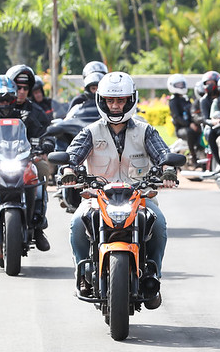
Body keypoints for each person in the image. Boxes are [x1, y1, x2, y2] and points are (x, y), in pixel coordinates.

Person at [60, 72, 177, 307]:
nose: (115, 106)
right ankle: (83, 275)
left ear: (130, 100)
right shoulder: (91, 132)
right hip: (97, 198)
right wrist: (68, 171)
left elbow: (164, 154)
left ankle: (153, 276)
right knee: (76, 224)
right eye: (111, 101)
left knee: (160, 223)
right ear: (102, 101)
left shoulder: (145, 131)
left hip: (140, 198)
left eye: (120, 100)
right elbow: (71, 157)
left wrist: (168, 170)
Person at [5, 65, 53, 251]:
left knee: (42, 169)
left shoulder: (36, 112)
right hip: (2, 159)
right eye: (18, 87)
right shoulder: (2, 107)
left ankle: (37, 223)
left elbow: (47, 133)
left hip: (26, 160)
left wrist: (46, 145)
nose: (22, 92)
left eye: (26, 88)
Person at [167, 74, 202, 168]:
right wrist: (189, 124)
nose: (181, 87)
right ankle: (194, 158)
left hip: (191, 125)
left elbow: (192, 112)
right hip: (181, 129)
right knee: (190, 132)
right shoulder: (173, 101)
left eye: (182, 84)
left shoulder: (185, 99)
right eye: (178, 85)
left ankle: (201, 154)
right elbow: (177, 117)